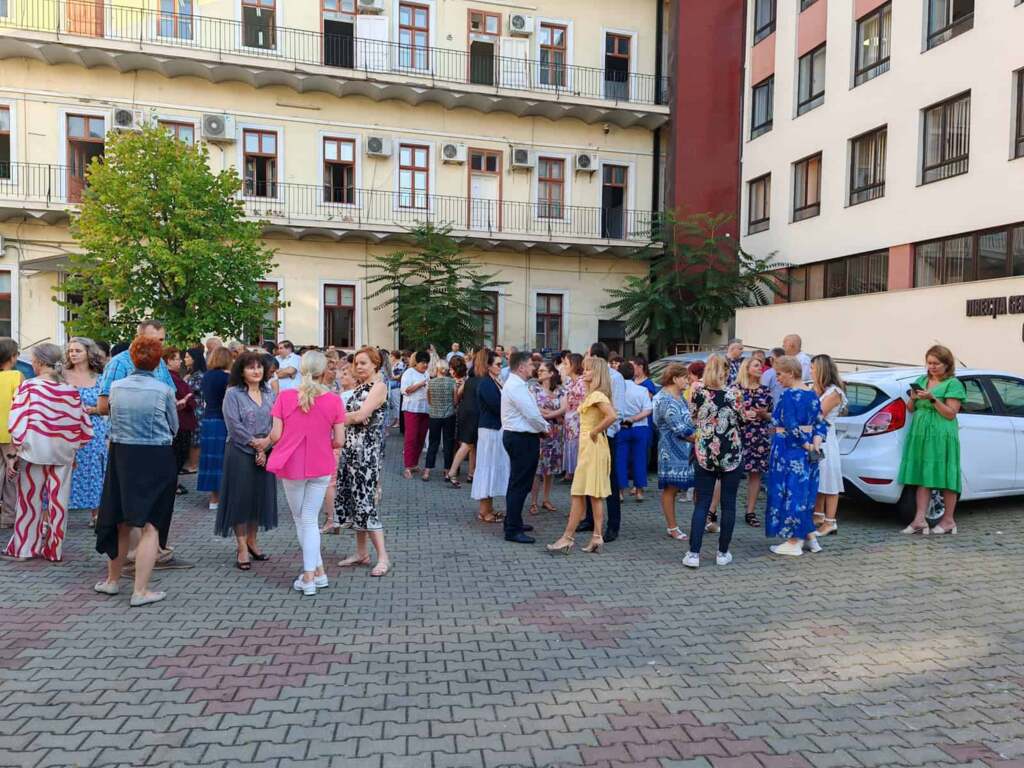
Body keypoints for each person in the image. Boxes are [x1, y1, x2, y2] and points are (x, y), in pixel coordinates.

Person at [93, 335, 177, 606]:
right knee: (151, 525)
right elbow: (174, 426)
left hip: (122, 455)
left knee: (120, 520)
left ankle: (112, 581)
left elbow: (109, 416)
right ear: (158, 361)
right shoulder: (163, 390)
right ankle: (140, 591)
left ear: (131, 357)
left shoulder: (116, 387)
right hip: (156, 456)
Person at [266, 351, 346, 596]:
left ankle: (310, 576)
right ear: (324, 371)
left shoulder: (285, 397)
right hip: (321, 463)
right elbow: (339, 440)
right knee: (309, 519)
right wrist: (322, 443)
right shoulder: (334, 400)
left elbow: (276, 435)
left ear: (301, 370)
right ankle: (317, 572)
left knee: (302, 519)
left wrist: (265, 443)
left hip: (292, 463)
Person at [3, 344, 93, 562]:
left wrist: (15, 452)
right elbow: (83, 425)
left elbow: (17, 421)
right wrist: (74, 447)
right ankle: (54, 550)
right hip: (63, 453)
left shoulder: (29, 387)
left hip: (33, 451)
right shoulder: (70, 390)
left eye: (34, 360)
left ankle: (24, 548)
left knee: (29, 502)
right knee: (58, 503)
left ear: (40, 362)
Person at [546, 356, 617, 555]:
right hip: (590, 445)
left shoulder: (597, 395)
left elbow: (612, 416)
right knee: (592, 494)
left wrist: (594, 432)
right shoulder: (593, 394)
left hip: (592, 446)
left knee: (580, 492)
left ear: (597, 373)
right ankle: (596, 536)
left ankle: (568, 538)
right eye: (584, 369)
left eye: (588, 369)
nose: (584, 372)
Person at [215, 352, 278, 570]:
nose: (256, 371)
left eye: (259, 367)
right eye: (251, 367)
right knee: (240, 499)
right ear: (241, 371)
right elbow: (233, 425)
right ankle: (241, 546)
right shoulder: (233, 394)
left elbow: (277, 422)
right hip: (240, 451)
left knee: (258, 498)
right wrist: (256, 445)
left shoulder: (269, 393)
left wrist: (266, 444)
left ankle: (252, 542)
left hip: (266, 450)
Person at [682, 354, 744, 569]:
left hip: (705, 452)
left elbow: (691, 416)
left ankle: (694, 553)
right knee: (729, 504)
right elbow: (743, 420)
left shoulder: (697, 390)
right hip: (730, 452)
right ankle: (722, 552)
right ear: (726, 371)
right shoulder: (735, 393)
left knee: (702, 503)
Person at [334, 347, 391, 577]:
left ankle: (383, 557)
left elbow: (360, 415)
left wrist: (338, 418)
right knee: (354, 502)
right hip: (351, 451)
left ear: (375, 364)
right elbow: (356, 416)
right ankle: (361, 552)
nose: (358, 366)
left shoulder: (379, 386)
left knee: (366, 504)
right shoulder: (360, 387)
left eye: (363, 363)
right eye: (356, 363)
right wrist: (352, 418)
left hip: (367, 453)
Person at [898, 344, 966, 536]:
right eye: (929, 363)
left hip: (942, 433)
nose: (932, 367)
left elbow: (950, 414)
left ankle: (948, 521)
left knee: (945, 475)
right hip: (920, 433)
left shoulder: (953, 384)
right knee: (923, 474)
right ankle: (919, 520)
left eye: (936, 363)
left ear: (947, 364)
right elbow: (911, 409)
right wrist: (913, 398)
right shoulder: (921, 380)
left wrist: (933, 398)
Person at [764, 355, 826, 557]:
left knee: (790, 493)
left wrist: (806, 444)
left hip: (789, 450)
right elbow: (820, 423)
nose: (777, 379)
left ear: (791, 373)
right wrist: (815, 444)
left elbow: (790, 425)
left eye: (779, 374)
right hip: (808, 452)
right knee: (804, 493)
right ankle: (810, 537)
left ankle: (794, 541)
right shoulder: (812, 394)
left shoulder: (788, 395)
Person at [577, 343, 624, 541]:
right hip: (590, 435)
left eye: (589, 356)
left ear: (596, 358)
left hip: (606, 435)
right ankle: (590, 519)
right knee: (589, 477)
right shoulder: (589, 379)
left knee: (610, 480)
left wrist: (602, 432)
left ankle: (613, 525)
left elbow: (616, 409)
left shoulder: (615, 377)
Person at [499, 352, 548, 544]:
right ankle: (512, 529)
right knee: (519, 484)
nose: (533, 367)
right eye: (530, 364)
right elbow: (532, 415)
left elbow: (532, 412)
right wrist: (545, 428)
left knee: (518, 483)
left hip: (521, 436)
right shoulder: (516, 386)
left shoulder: (518, 384)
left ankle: (513, 521)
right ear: (521, 367)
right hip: (521, 438)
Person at [65, 337, 108, 527]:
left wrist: (94, 410)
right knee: (66, 471)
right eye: (70, 351)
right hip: (67, 430)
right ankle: (55, 515)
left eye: (77, 350)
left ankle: (97, 515)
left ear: (88, 353)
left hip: (93, 430)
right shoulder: (62, 376)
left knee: (94, 470)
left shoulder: (99, 377)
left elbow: (109, 406)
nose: (73, 354)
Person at [651, 363, 695, 542]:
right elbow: (680, 429)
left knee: (694, 485)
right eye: (685, 378)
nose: (688, 381)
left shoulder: (679, 396)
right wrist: (704, 439)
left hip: (687, 449)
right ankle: (672, 527)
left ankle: (704, 520)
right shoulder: (664, 399)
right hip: (671, 450)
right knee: (671, 488)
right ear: (675, 378)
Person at [96, 320, 174, 417]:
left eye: (161, 340)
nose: (157, 344)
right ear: (137, 338)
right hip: (129, 426)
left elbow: (171, 396)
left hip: (159, 425)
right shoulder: (119, 363)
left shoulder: (160, 362)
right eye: (152, 340)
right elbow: (103, 407)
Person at [811, 354, 847, 537]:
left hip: (826, 439)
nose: (810, 371)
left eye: (813, 368)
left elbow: (817, 415)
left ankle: (830, 521)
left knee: (830, 479)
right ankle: (818, 515)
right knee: (820, 478)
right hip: (816, 438)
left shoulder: (834, 393)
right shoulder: (819, 390)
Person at [471, 350, 509, 524]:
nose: (501, 367)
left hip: (494, 429)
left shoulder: (493, 381)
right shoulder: (486, 383)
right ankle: (484, 510)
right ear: (488, 366)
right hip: (490, 430)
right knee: (487, 467)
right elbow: (498, 406)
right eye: (498, 364)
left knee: (492, 467)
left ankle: (489, 508)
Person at [737, 357, 773, 528]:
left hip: (759, 436)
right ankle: (717, 510)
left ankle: (750, 512)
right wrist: (743, 415)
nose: (760, 368)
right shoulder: (736, 389)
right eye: (756, 365)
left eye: (761, 366)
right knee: (729, 473)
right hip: (737, 435)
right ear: (747, 368)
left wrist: (764, 414)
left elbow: (773, 415)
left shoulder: (765, 391)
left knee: (756, 474)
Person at [198, 346, 232, 511]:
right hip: (222, 420)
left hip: (208, 420)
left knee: (210, 459)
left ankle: (213, 498)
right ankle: (224, 497)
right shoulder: (228, 378)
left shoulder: (206, 376)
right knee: (222, 459)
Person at [447, 348, 486, 487]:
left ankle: (471, 474)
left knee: (472, 445)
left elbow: (458, 395)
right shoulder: (483, 380)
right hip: (474, 413)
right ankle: (452, 472)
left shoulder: (470, 379)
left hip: (465, 411)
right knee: (467, 444)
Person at [530, 361, 565, 514]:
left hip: (555, 434)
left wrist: (548, 413)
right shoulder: (534, 388)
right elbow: (533, 407)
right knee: (537, 468)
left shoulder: (560, 390)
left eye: (543, 371)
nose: (539, 372)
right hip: (541, 432)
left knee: (550, 468)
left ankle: (546, 499)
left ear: (551, 373)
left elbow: (564, 408)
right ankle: (533, 502)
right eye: (539, 370)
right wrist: (553, 415)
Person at [616, 362, 653, 503]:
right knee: (640, 459)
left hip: (621, 427)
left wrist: (625, 419)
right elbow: (648, 410)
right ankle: (639, 491)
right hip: (640, 427)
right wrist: (633, 418)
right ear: (633, 374)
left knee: (620, 459)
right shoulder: (642, 390)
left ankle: (620, 492)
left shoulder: (615, 391)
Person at [163, 348, 197, 496]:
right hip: (179, 422)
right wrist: (189, 399)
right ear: (168, 361)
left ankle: (173, 483)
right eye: (177, 359)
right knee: (177, 456)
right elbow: (186, 397)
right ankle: (171, 485)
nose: (181, 361)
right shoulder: (171, 378)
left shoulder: (174, 377)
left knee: (178, 456)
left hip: (182, 421)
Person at [0, 339, 23, 529]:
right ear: (13, 357)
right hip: (10, 431)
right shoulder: (17, 376)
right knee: (12, 474)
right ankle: (9, 516)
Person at [423, 360, 457, 481]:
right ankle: (447, 471)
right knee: (448, 444)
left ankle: (427, 471)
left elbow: (429, 401)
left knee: (433, 443)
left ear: (436, 369)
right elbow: (455, 401)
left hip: (434, 416)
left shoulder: (430, 382)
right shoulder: (452, 382)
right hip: (449, 416)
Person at [400, 351, 431, 479]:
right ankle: (407, 466)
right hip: (411, 409)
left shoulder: (427, 374)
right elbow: (405, 390)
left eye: (427, 362)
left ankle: (414, 464)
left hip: (425, 409)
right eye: (422, 362)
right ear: (416, 363)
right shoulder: (409, 373)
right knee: (411, 437)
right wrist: (419, 384)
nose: (425, 365)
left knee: (421, 437)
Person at [559, 353, 586, 484]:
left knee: (578, 449)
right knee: (571, 447)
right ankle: (571, 474)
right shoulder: (569, 382)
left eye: (566, 364)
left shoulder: (582, 382)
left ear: (574, 365)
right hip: (570, 421)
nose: (564, 366)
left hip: (579, 421)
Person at [182, 348, 207, 473]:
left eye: (187, 357)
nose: (184, 359)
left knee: (195, 438)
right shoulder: (192, 374)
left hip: (197, 409)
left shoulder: (199, 375)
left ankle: (193, 465)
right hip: (192, 408)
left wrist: (184, 382)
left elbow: (189, 390)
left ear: (194, 359)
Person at [387, 349, 405, 429]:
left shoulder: (400, 364)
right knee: (394, 404)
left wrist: (391, 377)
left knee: (397, 404)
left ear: (394, 356)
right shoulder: (394, 364)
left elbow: (399, 376)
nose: (390, 357)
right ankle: (395, 419)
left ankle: (398, 421)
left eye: (391, 356)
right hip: (392, 386)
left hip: (396, 386)